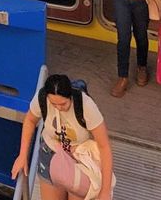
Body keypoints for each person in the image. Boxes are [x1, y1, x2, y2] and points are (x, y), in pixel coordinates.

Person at [11, 72, 113, 200]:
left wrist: (105, 190)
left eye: (63, 104)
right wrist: (23, 155)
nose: (58, 108)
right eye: (54, 104)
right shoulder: (42, 98)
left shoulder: (86, 106)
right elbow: (30, 120)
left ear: (70, 96)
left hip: (78, 160)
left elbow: (104, 147)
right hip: (50, 154)